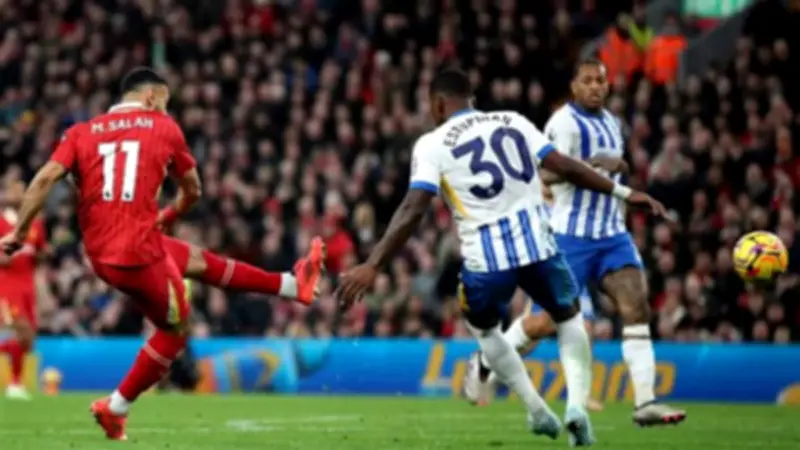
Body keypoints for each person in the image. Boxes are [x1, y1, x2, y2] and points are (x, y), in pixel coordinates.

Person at [336, 68, 668, 446]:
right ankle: (576, 408)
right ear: (473, 99)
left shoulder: (431, 143)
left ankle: (537, 409)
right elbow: (564, 166)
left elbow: (414, 207)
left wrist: (373, 264)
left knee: (486, 331)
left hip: (487, 262)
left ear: (438, 104)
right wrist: (624, 193)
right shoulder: (513, 121)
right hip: (539, 250)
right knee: (569, 318)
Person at [0, 67, 326, 441]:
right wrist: (170, 214)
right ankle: (115, 407)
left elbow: (44, 179)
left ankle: (291, 285)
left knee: (200, 261)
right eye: (165, 103)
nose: (166, 110)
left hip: (104, 250)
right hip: (137, 252)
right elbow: (193, 191)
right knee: (175, 331)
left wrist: (19, 233)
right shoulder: (163, 127)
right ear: (151, 97)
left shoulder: (80, 132)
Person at [464, 59, 686, 427]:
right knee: (544, 323)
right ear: (574, 86)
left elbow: (614, 170)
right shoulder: (562, 123)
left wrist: (618, 167)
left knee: (636, 306)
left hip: (612, 234)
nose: (596, 86)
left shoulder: (612, 123)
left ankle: (645, 402)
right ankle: (485, 361)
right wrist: (592, 164)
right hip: (570, 236)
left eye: (601, 80)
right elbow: (543, 174)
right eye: (588, 80)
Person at [0, 179, 49, 400]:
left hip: (28, 286)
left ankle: (16, 383)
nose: (19, 194)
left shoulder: (35, 224)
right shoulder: (1, 222)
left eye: (23, 190)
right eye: (14, 190)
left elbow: (38, 253)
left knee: (29, 340)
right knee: (22, 331)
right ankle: (15, 383)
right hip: (6, 285)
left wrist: (43, 254)